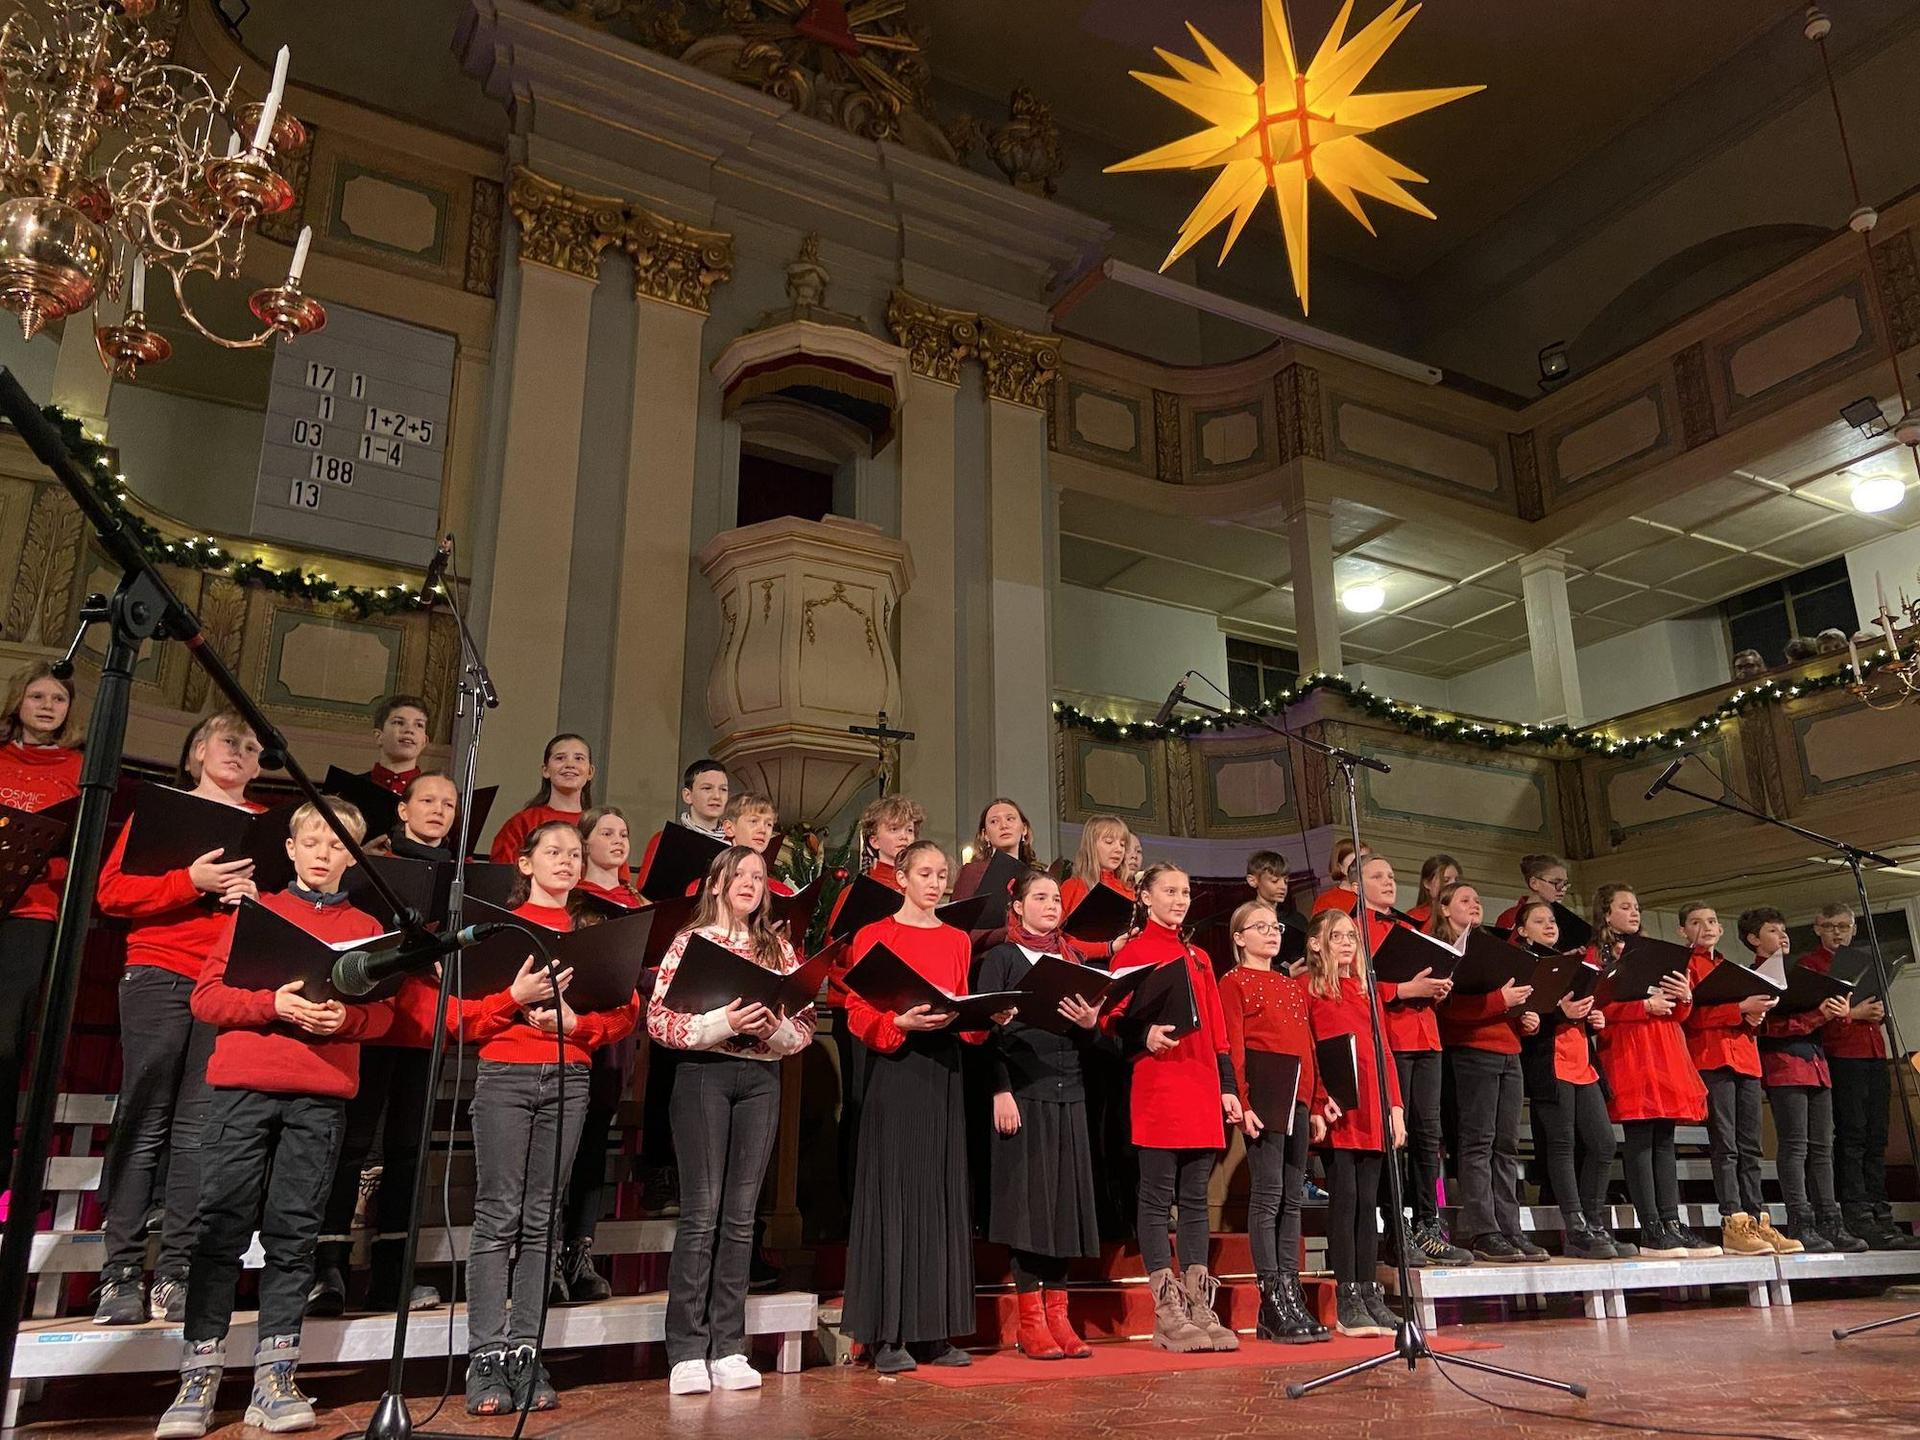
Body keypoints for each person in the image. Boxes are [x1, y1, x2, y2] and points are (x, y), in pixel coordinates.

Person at [157, 800, 393, 1439]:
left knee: (295, 1233)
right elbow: (206, 998)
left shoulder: (367, 925)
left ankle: (275, 1375)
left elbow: (385, 1016)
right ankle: (198, 1377)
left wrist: (346, 1020)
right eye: (311, 839)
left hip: (320, 1094)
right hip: (244, 1088)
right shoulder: (256, 915)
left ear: (352, 855)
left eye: (337, 843)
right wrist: (273, 1005)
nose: (322, 851)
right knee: (221, 1228)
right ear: (290, 849)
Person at [454, 821, 639, 1415]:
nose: (565, 860)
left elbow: (624, 1014)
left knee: (542, 1219)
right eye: (553, 851)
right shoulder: (497, 930)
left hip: (569, 1078)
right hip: (505, 1076)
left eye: (574, 854)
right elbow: (457, 1019)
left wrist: (574, 1026)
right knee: (497, 1218)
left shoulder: (592, 933)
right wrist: (515, 998)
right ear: (526, 864)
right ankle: (485, 1357)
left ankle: (526, 1354)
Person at [94, 710, 264, 1326]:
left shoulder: (270, 828)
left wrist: (258, 900)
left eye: (251, 747)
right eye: (227, 741)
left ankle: (177, 1272)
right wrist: (188, 881)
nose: (240, 753)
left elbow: (287, 917)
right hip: (160, 970)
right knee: (146, 1117)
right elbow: (111, 894)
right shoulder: (161, 811)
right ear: (195, 752)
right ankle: (120, 1272)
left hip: (226, 983)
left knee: (201, 1128)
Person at [648, 846, 815, 1394]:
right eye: (738, 874)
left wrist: (771, 1030)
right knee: (703, 1212)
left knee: (742, 1216)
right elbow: (659, 1020)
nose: (749, 883)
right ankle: (686, 1350)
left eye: (758, 877)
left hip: (760, 1080)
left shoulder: (779, 948)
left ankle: (729, 1346)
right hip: (704, 1077)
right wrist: (723, 1020)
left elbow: (804, 1027)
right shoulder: (690, 943)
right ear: (716, 884)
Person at [841, 840, 1008, 1374]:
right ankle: (888, 1334)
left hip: (943, 1074)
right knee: (895, 1195)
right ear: (903, 880)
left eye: (942, 875)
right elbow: (854, 1007)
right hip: (895, 1071)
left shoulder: (958, 940)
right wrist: (896, 1025)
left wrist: (987, 1020)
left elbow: (959, 1005)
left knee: (939, 1193)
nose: (936, 883)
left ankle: (933, 1333)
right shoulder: (876, 935)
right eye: (926, 874)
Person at [311, 773, 462, 1316]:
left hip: (427, 1024)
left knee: (408, 1152)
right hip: (375, 1018)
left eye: (449, 803)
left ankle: (393, 1275)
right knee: (351, 1145)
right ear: (403, 808)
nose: (439, 810)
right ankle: (325, 1269)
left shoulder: (463, 877)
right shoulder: (371, 862)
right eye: (427, 800)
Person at [1106, 862, 1241, 1354]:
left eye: (1185, 891)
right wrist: (1143, 1034)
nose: (1180, 899)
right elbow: (1110, 1019)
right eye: (1169, 891)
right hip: (1159, 1083)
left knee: (1196, 1202)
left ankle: (1200, 1305)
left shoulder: (1201, 957)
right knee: (1156, 1197)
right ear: (1145, 896)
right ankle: (1167, 1311)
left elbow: (1219, 1033)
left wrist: (1228, 1087)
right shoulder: (1136, 954)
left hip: (1203, 1085)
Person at [975, 870, 1102, 1360]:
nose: (1051, 905)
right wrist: (1000, 1090)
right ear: (1019, 906)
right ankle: (1031, 1321)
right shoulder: (1003, 959)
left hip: (1069, 1089)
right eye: (1041, 897)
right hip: (1022, 1093)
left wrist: (1090, 1024)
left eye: (1055, 898)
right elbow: (986, 1031)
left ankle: (1059, 1315)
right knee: (1029, 1207)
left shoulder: (1070, 959)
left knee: (1062, 1206)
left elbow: (1088, 1040)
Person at [1219, 899, 1326, 1344]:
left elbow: (1308, 1046)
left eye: (1275, 925)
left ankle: (1291, 1291)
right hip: (1264, 1094)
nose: (1271, 932)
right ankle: (1272, 1298)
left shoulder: (1290, 985)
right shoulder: (1234, 982)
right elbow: (1235, 1046)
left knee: (1292, 1198)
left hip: (1299, 1094)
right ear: (1239, 938)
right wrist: (1243, 1101)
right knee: (1267, 1195)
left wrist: (1318, 1102)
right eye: (1259, 926)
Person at [1592, 884, 1717, 1259]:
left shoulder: (1655, 952)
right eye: (1625, 907)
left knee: (1665, 1139)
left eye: (1637, 906)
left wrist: (1685, 995)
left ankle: (1672, 1221)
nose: (1634, 913)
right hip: (1629, 1050)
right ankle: (1650, 1226)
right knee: (1641, 1139)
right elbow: (1598, 1008)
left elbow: (1679, 1012)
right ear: (1606, 913)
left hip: (1664, 1047)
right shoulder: (1597, 955)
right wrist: (1642, 1007)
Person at [555, 806, 643, 1303]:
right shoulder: (570, 901)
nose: (617, 839)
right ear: (584, 843)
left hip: (614, 1036)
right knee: (557, 1146)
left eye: (624, 831)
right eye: (606, 832)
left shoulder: (637, 901)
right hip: (562, 1035)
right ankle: (544, 1252)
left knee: (593, 1143)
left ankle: (580, 1251)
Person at [0, 662, 82, 1194]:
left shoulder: (80, 767)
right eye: (38, 695)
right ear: (18, 701)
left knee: (5, 1036)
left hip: (33, 911)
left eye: (58, 698)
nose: (49, 705)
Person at [1303, 909, 1405, 1338]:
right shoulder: (1308, 991)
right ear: (1315, 944)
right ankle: (1346, 1295)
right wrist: (1320, 1100)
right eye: (1337, 936)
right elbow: (1310, 1051)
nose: (1347, 943)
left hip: (1373, 1110)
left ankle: (1369, 1291)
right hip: (1339, 1110)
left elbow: (1383, 1053)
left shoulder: (1367, 993)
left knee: (1370, 1204)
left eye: (1352, 936)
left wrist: (1395, 1108)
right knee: (1345, 1202)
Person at [1433, 882, 1542, 1262]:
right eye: (1464, 899)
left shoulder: (1498, 947)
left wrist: (1523, 1017)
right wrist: (1500, 1001)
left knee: (1506, 1145)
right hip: (1472, 1050)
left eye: (1478, 899)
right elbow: (1448, 1011)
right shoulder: (1445, 949)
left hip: (1509, 1048)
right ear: (1445, 909)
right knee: (1477, 1142)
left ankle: (1510, 1228)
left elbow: (1508, 1000)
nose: (1474, 903)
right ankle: (1484, 1230)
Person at [1748, 906, 1866, 1255]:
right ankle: (1802, 1220)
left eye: (1784, 930)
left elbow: (1817, 1022)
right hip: (1784, 1065)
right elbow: (1767, 1029)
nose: (1783, 936)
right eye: (1773, 930)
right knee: (1796, 1145)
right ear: (1754, 939)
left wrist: (1837, 1014)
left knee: (1822, 1147)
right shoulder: (1756, 977)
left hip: (1816, 1064)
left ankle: (1831, 1219)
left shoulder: (1798, 972)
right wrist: (1816, 1016)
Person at [1365, 857, 1464, 1265]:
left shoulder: (1409, 927)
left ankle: (1428, 1224)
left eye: (1391, 876)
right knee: (1398, 1138)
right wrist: (1403, 989)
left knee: (1428, 1136)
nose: (1388, 882)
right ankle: (1396, 1228)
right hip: (1392, 1040)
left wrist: (1436, 989)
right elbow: (1358, 984)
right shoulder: (1357, 928)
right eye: (1377, 876)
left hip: (1427, 1038)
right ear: (1358, 885)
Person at [1802, 904, 1917, 1249]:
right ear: (1817, 929)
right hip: (1841, 1055)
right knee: (1852, 1136)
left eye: (1844, 926)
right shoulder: (1811, 966)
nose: (1838, 933)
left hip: (1873, 1053)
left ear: (1853, 929)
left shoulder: (1863, 961)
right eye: (1830, 926)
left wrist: (1876, 1012)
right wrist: (1853, 1014)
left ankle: (1881, 1212)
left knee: (1876, 1136)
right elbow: (1812, 1016)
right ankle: (1858, 1213)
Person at [1511, 898, 1620, 1258]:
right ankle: (1574, 1226)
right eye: (1539, 921)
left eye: (1552, 920)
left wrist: (1593, 1018)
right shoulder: (1524, 966)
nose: (1549, 925)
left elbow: (1585, 1004)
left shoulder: (1573, 964)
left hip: (1582, 1062)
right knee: (1561, 1144)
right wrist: (1560, 1012)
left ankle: (1593, 1220)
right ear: (1522, 930)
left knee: (1603, 1143)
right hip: (1549, 1063)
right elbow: (1526, 1019)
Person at [1678, 902, 1787, 1256]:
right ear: (1683, 931)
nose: (1706, 927)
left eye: (1711, 921)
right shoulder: (1685, 966)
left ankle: (1756, 1218)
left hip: (1746, 1059)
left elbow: (1745, 1014)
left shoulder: (1730, 967)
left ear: (1720, 929)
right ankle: (1734, 1220)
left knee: (1751, 1146)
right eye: (1696, 922)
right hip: (1711, 1058)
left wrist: (1752, 1016)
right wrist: (1738, 1009)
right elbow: (1689, 1017)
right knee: (1725, 1145)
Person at [487, 734, 594, 865]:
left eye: (579, 758)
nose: (570, 764)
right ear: (545, 770)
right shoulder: (522, 823)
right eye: (560, 758)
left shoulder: (601, 826)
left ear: (590, 772)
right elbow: (501, 875)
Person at [634, 759, 731, 889]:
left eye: (723, 789)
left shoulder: (734, 843)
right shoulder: (663, 840)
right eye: (707, 788)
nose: (717, 796)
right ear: (687, 795)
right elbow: (643, 896)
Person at [1059, 815, 1133, 963]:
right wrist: (1108, 948)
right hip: (1086, 967)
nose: (1118, 849)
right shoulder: (1072, 887)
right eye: (1109, 842)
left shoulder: (1130, 891)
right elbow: (1061, 941)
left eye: (1123, 844)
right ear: (1091, 846)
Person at [361, 695, 430, 796]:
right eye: (399, 722)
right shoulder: (347, 789)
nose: (409, 730)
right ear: (379, 736)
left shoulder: (436, 796)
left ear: (424, 742)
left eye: (419, 725)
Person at [1491, 853, 1569, 932]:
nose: (1563, 889)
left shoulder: (1566, 921)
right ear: (1534, 883)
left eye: (1565, 884)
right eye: (1556, 882)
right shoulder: (1510, 918)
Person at [1310, 838, 1369, 916]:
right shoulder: (1326, 901)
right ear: (1340, 866)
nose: (1362, 866)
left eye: (1366, 861)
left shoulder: (1374, 894)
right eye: (1355, 862)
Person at [1406, 854, 1460, 929]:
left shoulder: (1463, 916)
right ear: (1427, 883)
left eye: (1456, 880)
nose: (1453, 885)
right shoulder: (1414, 918)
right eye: (1445, 880)